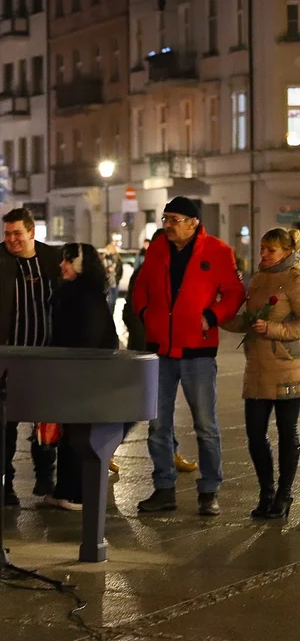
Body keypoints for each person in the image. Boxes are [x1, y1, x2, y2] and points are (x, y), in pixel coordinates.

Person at [133, 196, 246, 516]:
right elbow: (140, 286)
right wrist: (145, 313)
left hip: (198, 351)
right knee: (158, 425)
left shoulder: (218, 252)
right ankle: (163, 488)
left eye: (174, 220)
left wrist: (212, 315)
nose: (167, 225)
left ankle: (209, 490)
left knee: (205, 425)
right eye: (165, 219)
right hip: (162, 351)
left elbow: (236, 293)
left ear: (193, 222)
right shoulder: (157, 250)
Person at [0, 207, 61, 504]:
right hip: (8, 356)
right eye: (7, 233)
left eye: (17, 233)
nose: (12, 239)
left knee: (47, 422)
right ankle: (3, 481)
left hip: (46, 357)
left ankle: (45, 480)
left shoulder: (52, 260)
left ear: (31, 232)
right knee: (5, 423)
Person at [222, 228, 300, 519]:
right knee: (255, 434)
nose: (264, 255)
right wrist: (220, 317)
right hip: (256, 368)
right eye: (262, 249)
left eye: (270, 250)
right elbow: (249, 319)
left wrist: (273, 330)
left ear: (286, 252)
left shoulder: (294, 278)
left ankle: (284, 494)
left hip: (288, 368)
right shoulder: (258, 278)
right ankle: (266, 491)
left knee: (287, 434)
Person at [45, 244, 119, 510]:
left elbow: (87, 339)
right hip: (74, 375)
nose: (62, 266)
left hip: (81, 378)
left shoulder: (84, 296)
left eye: (68, 261)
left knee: (77, 435)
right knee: (69, 434)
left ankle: (76, 493)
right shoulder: (79, 293)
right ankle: (66, 489)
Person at [122, 228, 198, 475]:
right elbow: (132, 310)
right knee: (141, 406)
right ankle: (107, 448)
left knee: (160, 405)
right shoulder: (145, 273)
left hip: (161, 351)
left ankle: (170, 451)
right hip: (148, 351)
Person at [104, 243, 124, 312]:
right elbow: (102, 269)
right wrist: (107, 269)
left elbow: (120, 271)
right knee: (110, 301)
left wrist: (116, 278)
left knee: (113, 301)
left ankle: (111, 315)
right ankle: (109, 315)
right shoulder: (105, 259)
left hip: (115, 282)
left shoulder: (118, 260)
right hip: (108, 282)